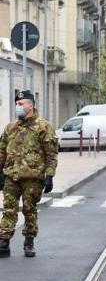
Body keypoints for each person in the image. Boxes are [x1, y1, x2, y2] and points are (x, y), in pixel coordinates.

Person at [0, 90, 58, 258]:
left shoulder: (43, 127)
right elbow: (2, 150)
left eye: (21, 104)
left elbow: (51, 154)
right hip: (11, 177)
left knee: (29, 210)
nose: (18, 107)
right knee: (9, 209)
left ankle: (29, 242)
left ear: (31, 105)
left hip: (32, 179)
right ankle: (4, 242)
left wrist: (50, 176)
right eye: (16, 104)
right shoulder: (11, 127)